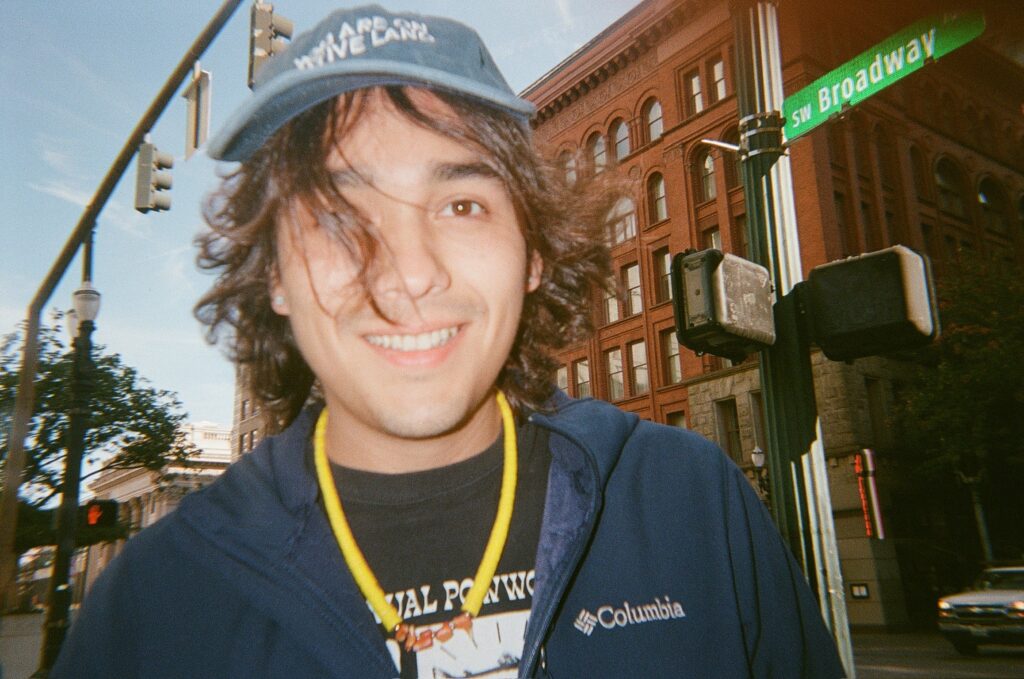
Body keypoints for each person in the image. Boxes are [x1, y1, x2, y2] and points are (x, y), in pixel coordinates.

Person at [54, 5, 845, 678]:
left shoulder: (689, 504)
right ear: (275, 278)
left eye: (461, 205)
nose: (410, 273)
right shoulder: (154, 607)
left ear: (533, 254)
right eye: (340, 217)